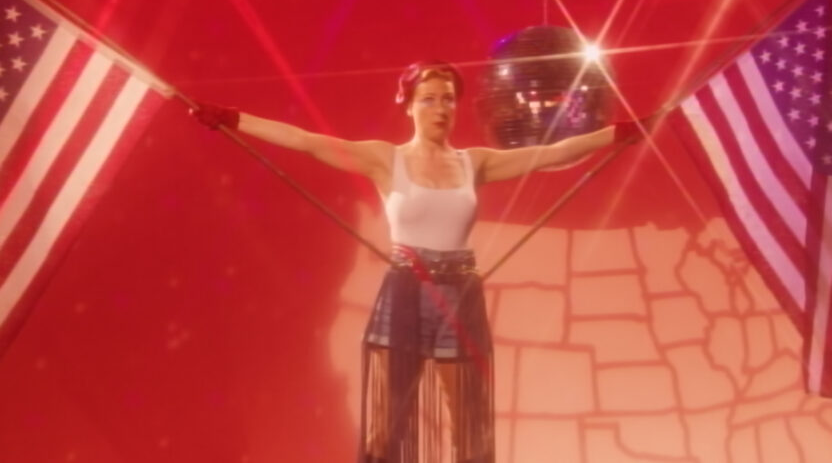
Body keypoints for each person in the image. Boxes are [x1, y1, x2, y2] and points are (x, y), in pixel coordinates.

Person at [191, 60, 648, 463]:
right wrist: (233, 119)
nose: (440, 108)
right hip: (405, 296)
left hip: (459, 298)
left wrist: (618, 133)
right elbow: (304, 140)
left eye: (448, 99)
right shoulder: (385, 159)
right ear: (409, 105)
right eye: (428, 99)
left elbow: (551, 154)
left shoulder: (474, 163)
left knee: (468, 425)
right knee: (387, 426)